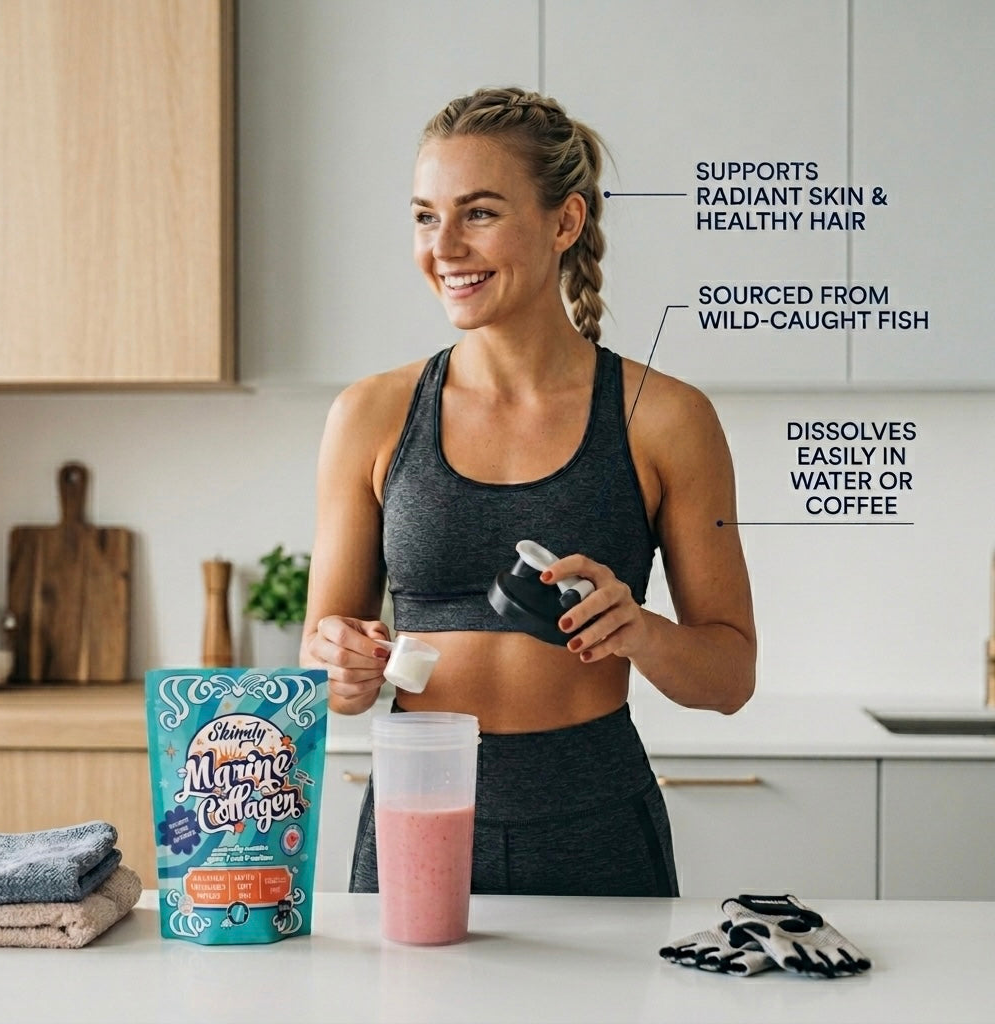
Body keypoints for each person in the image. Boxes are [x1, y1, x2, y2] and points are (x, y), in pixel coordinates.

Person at [301, 86, 756, 897]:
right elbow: (322, 666)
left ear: (565, 222)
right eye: (423, 215)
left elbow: (729, 677)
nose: (443, 246)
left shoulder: (666, 418)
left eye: (477, 213)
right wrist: (340, 667)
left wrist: (638, 631)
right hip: (415, 816)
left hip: (597, 822)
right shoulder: (369, 415)